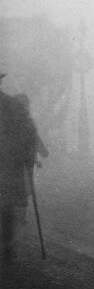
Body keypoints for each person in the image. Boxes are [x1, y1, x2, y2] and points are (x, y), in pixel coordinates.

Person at [0, 73, 44, 262]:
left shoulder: (13, 105)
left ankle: (8, 243)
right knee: (6, 202)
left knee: (6, 203)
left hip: (8, 161)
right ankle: (7, 243)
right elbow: (29, 131)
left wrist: (27, 155)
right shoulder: (14, 105)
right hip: (9, 161)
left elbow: (29, 131)